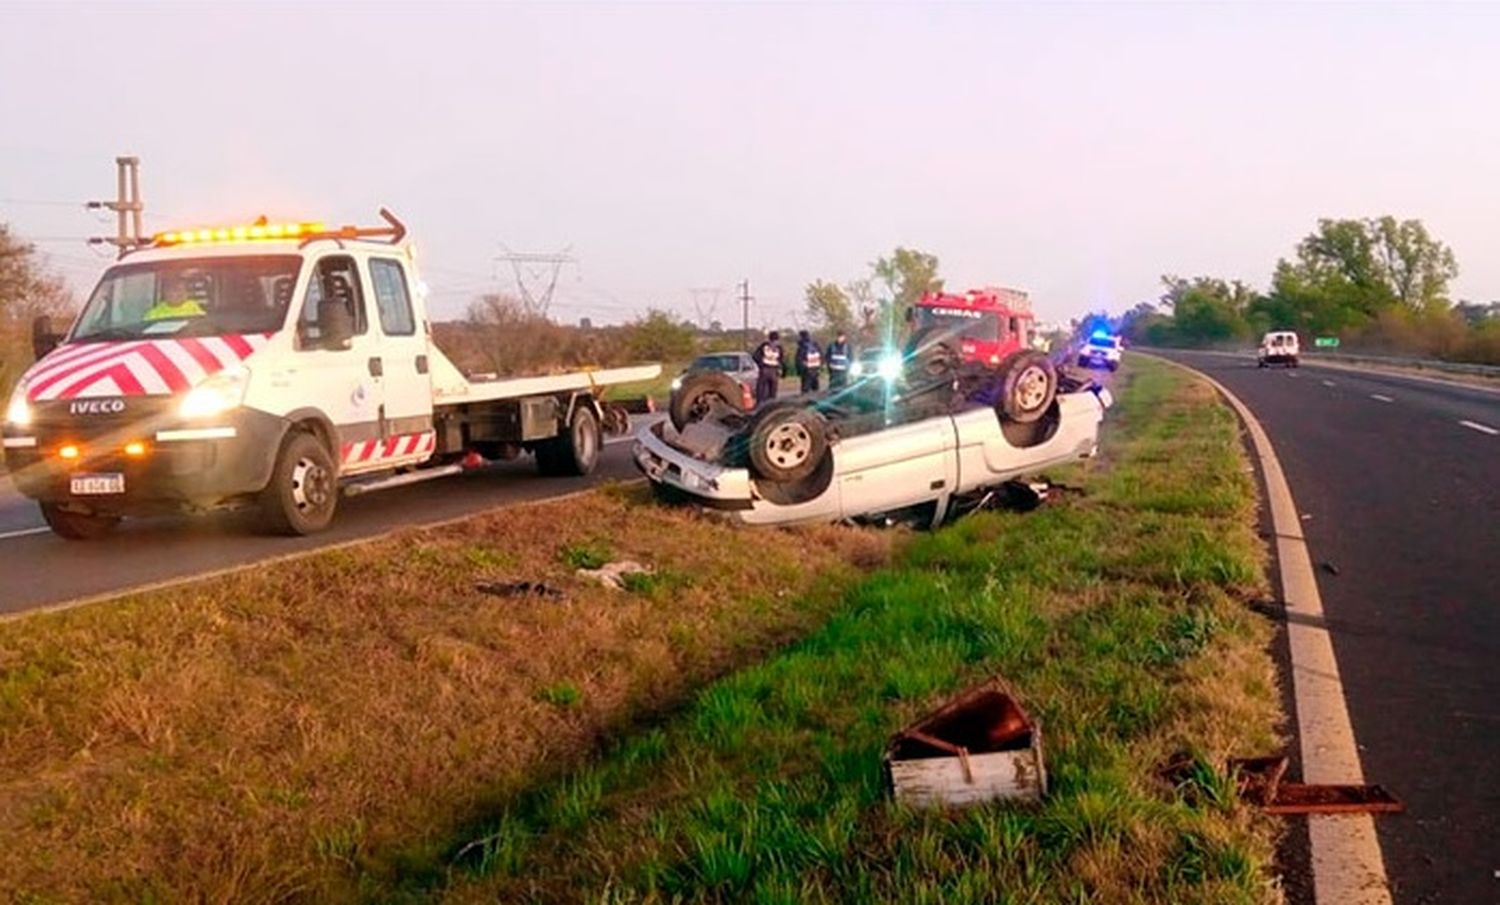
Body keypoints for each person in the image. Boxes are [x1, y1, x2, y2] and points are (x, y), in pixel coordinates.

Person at [751, 329, 785, 404]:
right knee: (772, 392)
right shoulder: (779, 347)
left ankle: (760, 406)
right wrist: (781, 370)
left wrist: (761, 364)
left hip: (764, 370)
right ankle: (771, 407)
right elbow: (782, 360)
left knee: (761, 391)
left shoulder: (764, 346)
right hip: (774, 371)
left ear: (769, 337)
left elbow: (755, 356)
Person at [795, 329, 823, 393]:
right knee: (816, 390)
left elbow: (798, 360)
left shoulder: (802, 347)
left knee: (805, 390)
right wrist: (820, 368)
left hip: (806, 371)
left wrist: (799, 371)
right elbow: (821, 356)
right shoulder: (815, 345)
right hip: (816, 369)